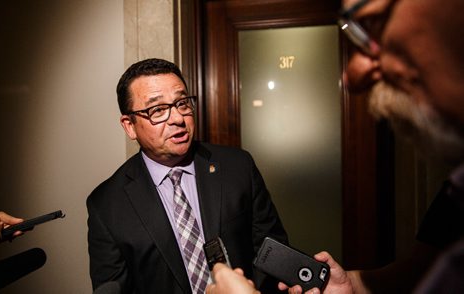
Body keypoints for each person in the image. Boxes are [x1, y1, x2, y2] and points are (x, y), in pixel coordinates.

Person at [207, 0, 464, 292]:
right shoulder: (455, 195)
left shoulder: (238, 164)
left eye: (371, 25)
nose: (352, 73)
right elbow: (421, 274)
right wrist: (354, 286)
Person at [86, 58, 288, 293]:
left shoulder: (237, 166)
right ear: (129, 125)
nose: (178, 118)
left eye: (182, 103)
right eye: (158, 110)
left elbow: (273, 253)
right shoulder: (106, 205)